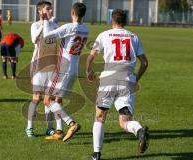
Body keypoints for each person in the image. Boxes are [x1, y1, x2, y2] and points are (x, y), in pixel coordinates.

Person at [86, 9, 149, 160]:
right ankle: (139, 130)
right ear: (125, 21)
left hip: (108, 80)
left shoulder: (104, 35)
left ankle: (96, 154)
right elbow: (145, 63)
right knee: (124, 121)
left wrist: (89, 72)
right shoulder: (134, 36)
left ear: (112, 21)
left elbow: (90, 58)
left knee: (100, 116)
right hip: (127, 81)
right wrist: (136, 78)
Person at [42, 2, 89, 142]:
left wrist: (45, 20)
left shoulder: (69, 27)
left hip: (63, 67)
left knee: (47, 100)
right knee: (58, 100)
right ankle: (59, 131)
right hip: (74, 68)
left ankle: (71, 123)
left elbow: (47, 38)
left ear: (72, 13)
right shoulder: (85, 29)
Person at [26, 1, 63, 139]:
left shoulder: (54, 25)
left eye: (51, 8)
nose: (51, 10)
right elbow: (34, 39)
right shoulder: (35, 25)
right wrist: (43, 24)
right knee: (37, 98)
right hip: (38, 66)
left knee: (50, 98)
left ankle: (49, 128)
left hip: (52, 66)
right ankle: (29, 127)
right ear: (40, 11)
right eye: (48, 9)